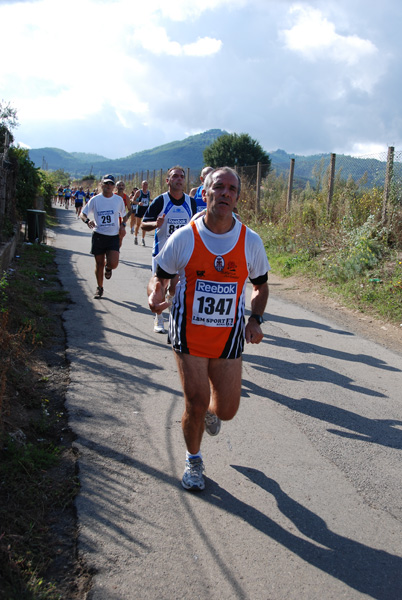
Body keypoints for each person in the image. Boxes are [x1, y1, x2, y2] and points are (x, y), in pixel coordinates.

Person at [148, 167, 269, 491]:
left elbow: (260, 286)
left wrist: (254, 319)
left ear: (238, 197)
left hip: (228, 337)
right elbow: (160, 273)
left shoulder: (250, 241)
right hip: (188, 334)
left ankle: (210, 416)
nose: (226, 193)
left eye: (232, 188)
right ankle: (194, 459)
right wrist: (157, 291)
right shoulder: (185, 237)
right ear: (205, 193)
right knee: (196, 401)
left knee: (226, 410)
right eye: (219, 187)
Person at [142, 166, 197, 333]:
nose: (179, 179)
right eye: (175, 176)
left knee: (175, 289)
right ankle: (158, 317)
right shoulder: (161, 201)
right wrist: (155, 224)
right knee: (160, 285)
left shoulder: (190, 202)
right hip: (162, 252)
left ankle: (172, 318)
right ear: (168, 181)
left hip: (183, 253)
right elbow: (144, 223)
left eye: (181, 176)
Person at [80, 174, 127, 299]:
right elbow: (83, 214)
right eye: (106, 183)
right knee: (99, 264)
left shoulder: (118, 200)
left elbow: (124, 215)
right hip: (99, 235)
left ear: (113, 186)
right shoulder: (95, 200)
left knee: (114, 263)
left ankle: (109, 267)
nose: (108, 186)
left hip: (113, 236)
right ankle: (99, 287)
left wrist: (123, 225)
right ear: (101, 185)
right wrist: (87, 221)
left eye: (111, 183)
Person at [132, 180, 151, 246]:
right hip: (140, 209)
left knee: (144, 224)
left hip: (146, 209)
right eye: (144, 184)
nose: (145, 186)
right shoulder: (138, 192)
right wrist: (138, 203)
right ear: (141, 185)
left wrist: (152, 200)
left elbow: (148, 199)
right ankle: (135, 237)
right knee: (138, 224)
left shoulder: (148, 192)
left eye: (146, 184)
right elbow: (133, 200)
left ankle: (143, 239)